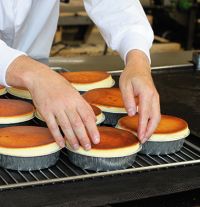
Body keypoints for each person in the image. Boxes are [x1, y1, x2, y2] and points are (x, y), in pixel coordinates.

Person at [0, 0, 160, 151]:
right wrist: (34, 74)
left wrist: (137, 59)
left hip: (38, 89)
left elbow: (113, 4)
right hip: (39, 78)